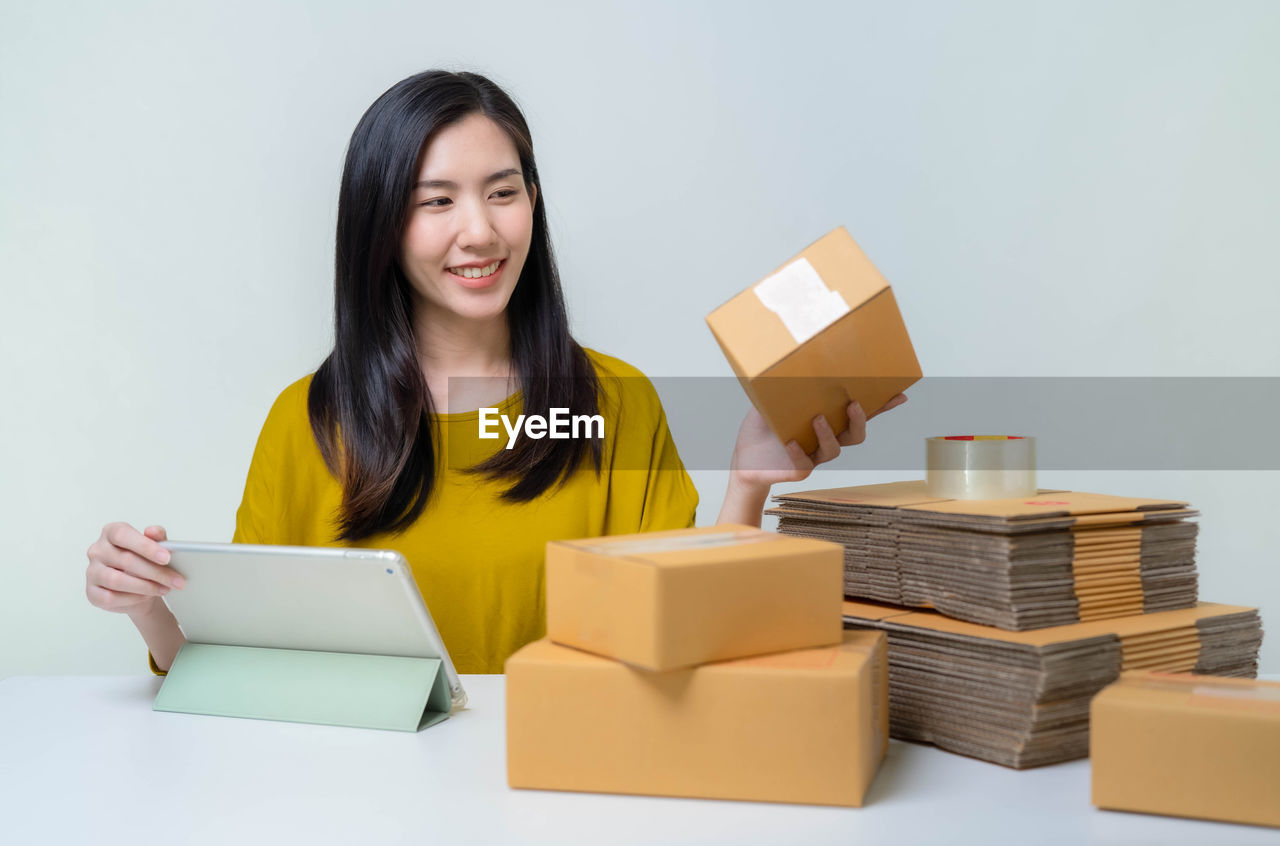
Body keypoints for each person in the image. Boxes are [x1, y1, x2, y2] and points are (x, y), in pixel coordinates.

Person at [84, 70, 906, 674]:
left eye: (502, 192)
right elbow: (244, 667)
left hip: (572, 789)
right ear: (380, 226)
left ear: (533, 202)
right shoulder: (309, 419)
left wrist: (749, 487)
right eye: (435, 201)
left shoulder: (614, 404)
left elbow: (688, 639)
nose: (479, 232)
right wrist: (150, 606)